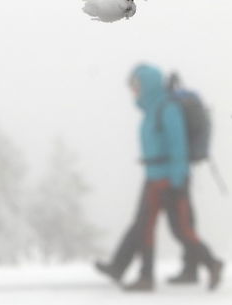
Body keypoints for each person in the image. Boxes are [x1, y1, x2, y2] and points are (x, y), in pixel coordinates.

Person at [95, 64, 223, 291]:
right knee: (146, 226)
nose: (133, 91)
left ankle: (211, 264)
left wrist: (177, 179)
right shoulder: (153, 109)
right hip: (154, 177)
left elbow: (178, 145)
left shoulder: (167, 108)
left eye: (136, 86)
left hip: (168, 179)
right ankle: (144, 276)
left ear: (147, 84)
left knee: (180, 229)